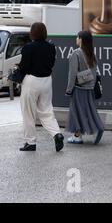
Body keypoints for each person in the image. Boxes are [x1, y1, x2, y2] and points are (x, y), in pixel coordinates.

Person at [18, 22, 64, 152]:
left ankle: (30, 142)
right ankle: (57, 134)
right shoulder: (51, 47)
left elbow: (24, 66)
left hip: (31, 81)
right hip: (46, 81)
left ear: (32, 33)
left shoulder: (28, 47)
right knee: (46, 110)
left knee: (28, 113)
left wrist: (18, 69)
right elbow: (52, 63)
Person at [66, 31, 104, 145]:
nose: (76, 39)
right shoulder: (91, 53)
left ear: (81, 39)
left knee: (76, 112)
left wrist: (69, 90)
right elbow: (93, 72)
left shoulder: (76, 53)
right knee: (89, 111)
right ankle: (97, 128)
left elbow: (72, 74)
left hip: (78, 88)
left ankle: (78, 136)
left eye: (77, 37)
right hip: (89, 88)